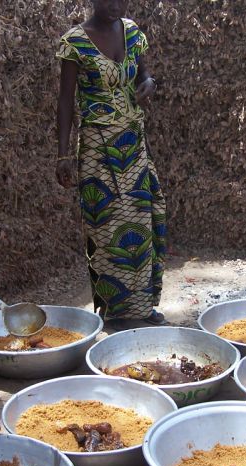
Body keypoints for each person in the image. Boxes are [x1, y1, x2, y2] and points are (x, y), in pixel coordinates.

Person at [55, 0, 167, 328]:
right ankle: (115, 312)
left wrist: (149, 83)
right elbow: (65, 102)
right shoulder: (75, 42)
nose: (117, 5)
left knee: (144, 219)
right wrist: (64, 155)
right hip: (97, 146)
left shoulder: (131, 31)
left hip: (133, 142)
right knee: (105, 228)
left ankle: (143, 306)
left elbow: (144, 74)